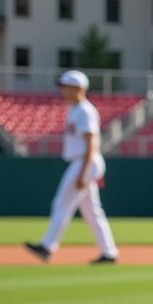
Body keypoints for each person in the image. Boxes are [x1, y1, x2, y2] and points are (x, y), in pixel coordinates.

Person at [24, 70, 120, 265]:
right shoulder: (74, 109)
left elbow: (91, 142)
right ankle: (109, 252)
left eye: (66, 86)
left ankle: (47, 246)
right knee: (92, 212)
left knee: (62, 204)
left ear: (79, 88)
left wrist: (84, 172)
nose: (63, 90)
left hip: (85, 161)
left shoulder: (85, 110)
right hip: (85, 162)